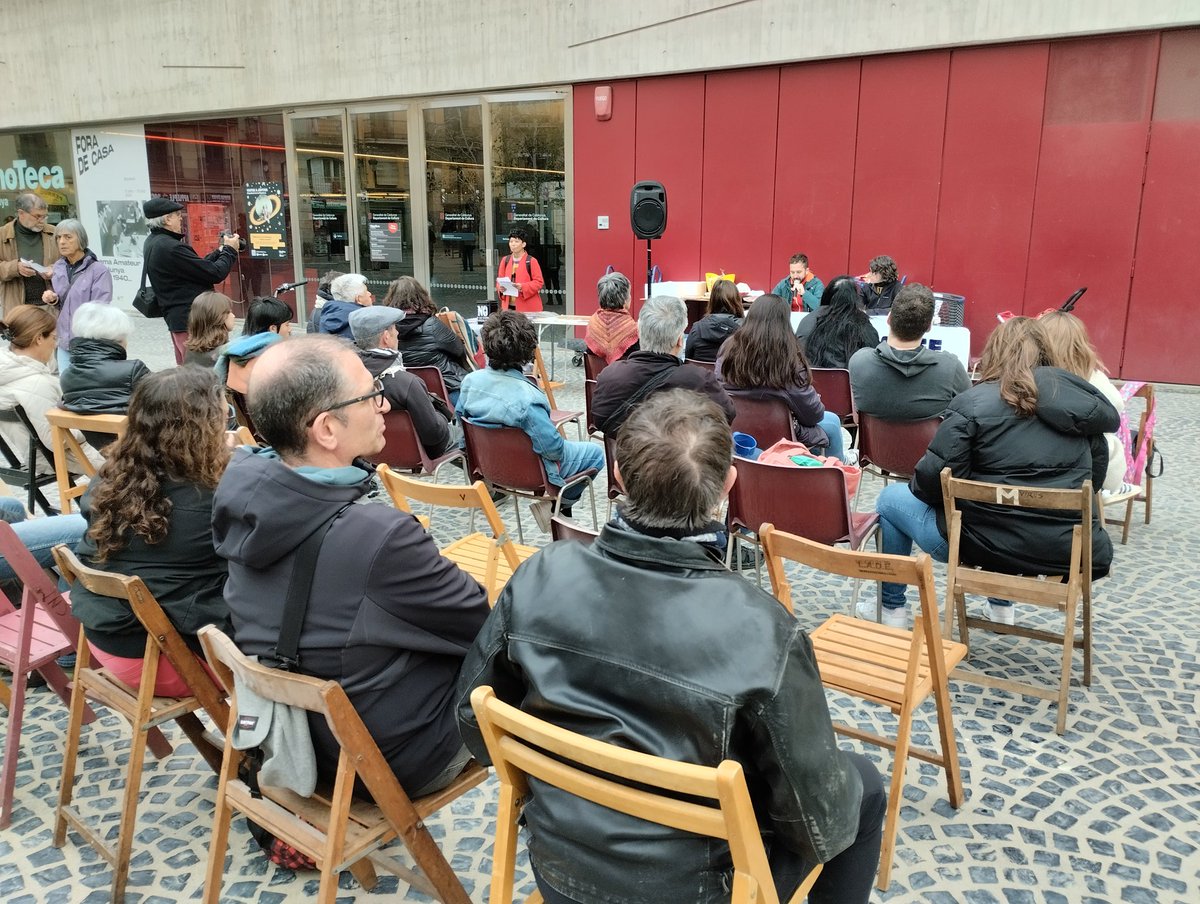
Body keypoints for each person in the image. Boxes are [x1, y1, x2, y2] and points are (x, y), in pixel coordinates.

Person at [456, 389, 885, 904]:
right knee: (864, 788)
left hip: (560, 867)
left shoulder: (539, 574)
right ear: (728, 485)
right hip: (702, 889)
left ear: (618, 476)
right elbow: (817, 822)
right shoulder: (764, 630)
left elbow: (473, 718)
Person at [212, 334, 490, 795]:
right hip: (384, 760)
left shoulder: (243, 496)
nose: (383, 405)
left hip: (299, 744)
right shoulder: (379, 538)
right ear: (326, 429)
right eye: (371, 394)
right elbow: (481, 625)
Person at [871, 316, 1118, 629]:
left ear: (995, 354)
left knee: (890, 500)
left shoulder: (972, 404)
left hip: (980, 544)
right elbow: (1092, 483)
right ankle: (1001, 608)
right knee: (1003, 507)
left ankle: (892, 610)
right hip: (1065, 549)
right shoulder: (1084, 412)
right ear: (1047, 354)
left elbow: (933, 481)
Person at [70, 367, 232, 695]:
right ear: (205, 426)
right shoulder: (210, 503)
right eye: (223, 413)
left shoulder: (110, 477)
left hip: (106, 642)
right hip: (165, 661)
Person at [456, 311, 605, 529]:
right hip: (533, 474)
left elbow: (463, 426)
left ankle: (557, 509)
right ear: (527, 349)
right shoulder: (529, 398)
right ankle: (559, 507)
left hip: (491, 467)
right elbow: (553, 450)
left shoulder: (470, 382)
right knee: (595, 454)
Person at [717, 294, 846, 460]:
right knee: (832, 422)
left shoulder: (728, 349)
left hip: (738, 433)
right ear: (785, 323)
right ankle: (836, 476)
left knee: (830, 422)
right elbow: (813, 415)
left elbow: (719, 389)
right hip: (783, 436)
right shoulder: (788, 360)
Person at [591, 295, 735, 436]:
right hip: (680, 456)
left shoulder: (609, 376)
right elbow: (728, 415)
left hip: (625, 458)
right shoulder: (699, 380)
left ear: (639, 333)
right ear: (680, 341)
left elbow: (599, 420)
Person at [0, 305, 102, 475]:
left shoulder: (8, 370)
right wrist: (88, 429)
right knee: (135, 461)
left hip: (35, 456)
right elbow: (55, 440)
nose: (55, 345)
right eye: (54, 338)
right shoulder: (36, 383)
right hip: (58, 458)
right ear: (39, 338)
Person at [349, 306, 459, 459]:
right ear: (386, 337)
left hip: (373, 454)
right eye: (395, 328)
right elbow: (433, 435)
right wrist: (441, 416)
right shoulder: (406, 383)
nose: (398, 333)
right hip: (423, 453)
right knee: (468, 435)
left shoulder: (348, 377)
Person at [1038, 310, 1128, 494]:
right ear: (1080, 344)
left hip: (1030, 465)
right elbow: (1116, 408)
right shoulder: (1093, 378)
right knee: (1107, 439)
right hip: (1084, 477)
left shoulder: (1027, 377)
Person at [848, 283, 970, 420]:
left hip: (873, 441)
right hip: (931, 442)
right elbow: (970, 412)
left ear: (888, 319)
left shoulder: (859, 361)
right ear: (929, 326)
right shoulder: (951, 368)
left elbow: (856, 418)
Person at [141, 198, 240, 365]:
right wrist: (230, 251)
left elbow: (196, 268)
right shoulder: (171, 247)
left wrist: (219, 252)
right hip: (191, 320)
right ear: (166, 219)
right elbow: (215, 273)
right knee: (200, 372)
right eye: (178, 215)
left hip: (177, 319)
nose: (181, 218)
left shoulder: (153, 242)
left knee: (186, 371)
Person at [59, 303, 151, 450]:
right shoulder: (133, 370)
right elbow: (163, 405)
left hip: (99, 453)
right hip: (138, 452)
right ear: (118, 340)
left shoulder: (67, 376)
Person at [381, 276, 471, 404]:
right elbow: (459, 350)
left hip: (405, 391)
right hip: (446, 387)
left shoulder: (386, 329)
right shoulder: (433, 325)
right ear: (421, 296)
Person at [42, 219, 114, 373]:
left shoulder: (98, 270)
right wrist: (53, 299)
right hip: (64, 340)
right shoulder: (59, 267)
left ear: (80, 239)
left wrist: (86, 336)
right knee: (65, 383)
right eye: (58, 237)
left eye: (68, 237)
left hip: (87, 340)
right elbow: (63, 302)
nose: (62, 242)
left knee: (87, 383)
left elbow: (101, 307)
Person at [796, 275, 880, 368]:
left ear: (827, 294)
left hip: (809, 379)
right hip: (847, 380)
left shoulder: (808, 320)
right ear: (854, 298)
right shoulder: (861, 323)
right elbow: (874, 356)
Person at [0, 193, 56, 318]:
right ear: (21, 213)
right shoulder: (2, 235)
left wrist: (54, 269)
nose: (42, 221)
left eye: (45, 216)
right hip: (18, 309)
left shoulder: (54, 233)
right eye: (37, 216)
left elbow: (69, 262)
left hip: (51, 306)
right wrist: (15, 268)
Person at [584, 270, 638, 364]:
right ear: (624, 299)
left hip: (597, 378)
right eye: (629, 293)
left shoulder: (592, 324)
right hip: (625, 378)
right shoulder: (633, 330)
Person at [684, 279, 744, 362]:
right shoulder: (746, 329)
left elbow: (688, 359)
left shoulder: (697, 328)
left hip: (700, 374)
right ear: (737, 300)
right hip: (731, 374)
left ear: (712, 301)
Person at [495, 225, 544, 313]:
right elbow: (499, 281)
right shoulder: (505, 260)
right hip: (508, 307)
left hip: (527, 307)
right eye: (511, 241)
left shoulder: (531, 261)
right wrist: (500, 288)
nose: (513, 244)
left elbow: (539, 282)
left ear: (523, 244)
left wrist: (522, 287)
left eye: (516, 241)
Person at [184, 291, 236, 368]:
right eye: (228, 312)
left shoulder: (190, 350)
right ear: (217, 318)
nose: (233, 316)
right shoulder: (226, 353)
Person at [317, 272, 373, 337]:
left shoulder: (326, 315)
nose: (369, 294)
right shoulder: (364, 322)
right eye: (366, 291)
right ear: (358, 299)